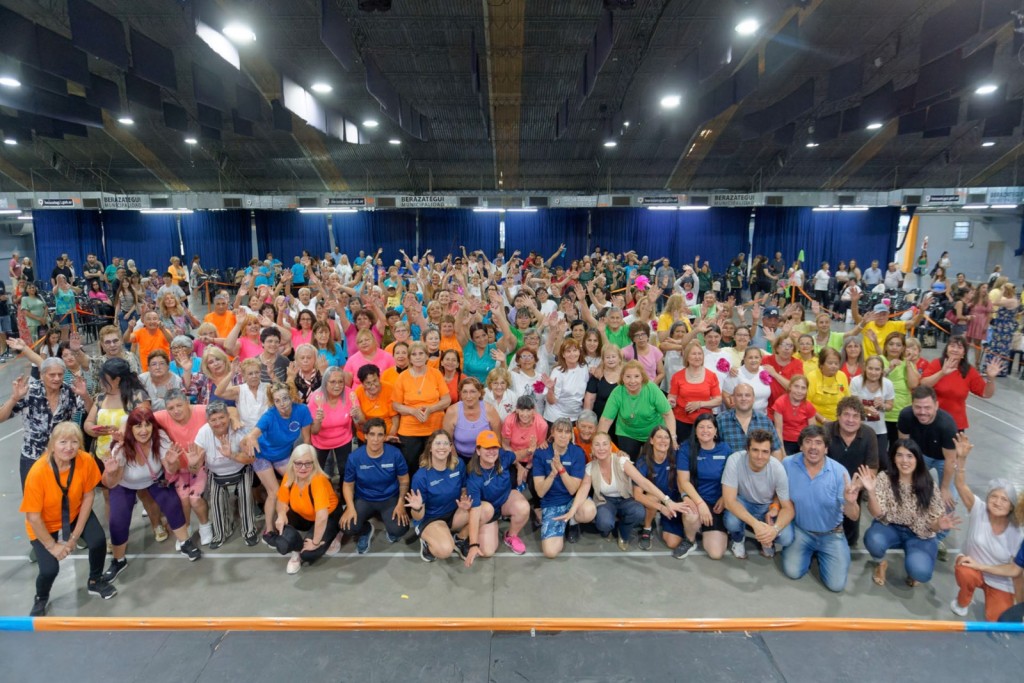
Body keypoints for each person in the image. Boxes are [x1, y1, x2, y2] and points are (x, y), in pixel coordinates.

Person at [20, 422, 114, 616]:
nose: (69, 447)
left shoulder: (85, 460)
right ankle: (41, 597)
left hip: (74, 513)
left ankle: (95, 581)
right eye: (63, 442)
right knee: (49, 570)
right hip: (43, 524)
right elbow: (34, 517)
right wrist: (52, 546)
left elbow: (88, 496)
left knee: (97, 541)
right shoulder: (37, 473)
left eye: (74, 442)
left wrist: (74, 537)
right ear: (52, 444)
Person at [101, 407, 202, 583]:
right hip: (124, 483)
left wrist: (172, 462)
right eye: (138, 426)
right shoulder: (121, 447)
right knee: (118, 519)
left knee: (172, 502)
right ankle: (118, 560)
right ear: (130, 428)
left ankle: (185, 542)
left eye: (147, 425)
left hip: (152, 479)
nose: (143, 430)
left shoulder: (160, 439)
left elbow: (171, 469)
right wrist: (111, 472)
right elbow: (111, 483)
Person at [560, 430, 687, 551]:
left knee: (639, 512)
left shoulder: (622, 461)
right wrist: (572, 511)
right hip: (605, 501)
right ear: (592, 449)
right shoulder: (589, 468)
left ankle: (623, 531)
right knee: (604, 523)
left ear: (610, 447)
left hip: (625, 498)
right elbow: (583, 490)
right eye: (597, 445)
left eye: (605, 444)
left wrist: (667, 501)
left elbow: (644, 482)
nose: (601, 448)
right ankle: (608, 530)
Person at [858, 439, 955, 588]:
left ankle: (913, 569)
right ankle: (881, 563)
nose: (904, 461)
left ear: (917, 459)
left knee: (921, 573)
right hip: (890, 527)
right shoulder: (885, 478)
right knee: (874, 541)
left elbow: (933, 524)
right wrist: (871, 492)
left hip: (920, 534)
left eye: (910, 456)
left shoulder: (928, 484)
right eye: (899, 455)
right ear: (893, 458)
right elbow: (877, 514)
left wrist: (938, 524)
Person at [950, 434, 1024, 621]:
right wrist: (962, 459)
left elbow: (1015, 571)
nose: (998, 502)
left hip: (1000, 579)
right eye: (994, 496)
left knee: (998, 621)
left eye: (1004, 499)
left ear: (1012, 505)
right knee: (964, 570)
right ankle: (963, 600)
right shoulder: (978, 508)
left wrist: (1020, 604)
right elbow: (960, 485)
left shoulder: (1018, 532)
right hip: (971, 568)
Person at [781, 425, 863, 593]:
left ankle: (823, 554)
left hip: (832, 535)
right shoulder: (788, 464)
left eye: (818, 443)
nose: (813, 447)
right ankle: (808, 552)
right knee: (793, 572)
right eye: (808, 442)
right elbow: (778, 494)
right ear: (801, 446)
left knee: (836, 585)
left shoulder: (840, 473)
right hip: (801, 531)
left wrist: (850, 502)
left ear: (826, 449)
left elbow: (854, 516)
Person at [1, 357, 89, 488]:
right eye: (52, 375)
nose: (57, 378)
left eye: (60, 374)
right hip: (32, 457)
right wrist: (14, 398)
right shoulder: (29, 392)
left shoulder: (69, 392)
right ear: (42, 375)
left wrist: (85, 396)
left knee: (64, 500)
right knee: (33, 502)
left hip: (62, 457)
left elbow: (90, 411)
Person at [241, 382, 313, 542]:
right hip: (262, 455)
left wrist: (306, 461)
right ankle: (269, 530)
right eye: (278, 400)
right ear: (273, 402)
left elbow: (307, 439)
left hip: (282, 455)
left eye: (285, 398)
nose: (283, 404)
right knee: (274, 492)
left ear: (292, 397)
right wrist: (251, 438)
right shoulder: (269, 415)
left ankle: (301, 517)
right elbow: (253, 434)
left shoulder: (302, 410)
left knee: (299, 481)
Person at [721, 429, 796, 559]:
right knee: (731, 522)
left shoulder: (778, 468)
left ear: (770, 453)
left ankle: (767, 539)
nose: (760, 456)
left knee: (786, 538)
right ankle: (738, 539)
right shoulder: (734, 460)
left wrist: (774, 530)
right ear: (747, 449)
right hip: (744, 501)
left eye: (765, 451)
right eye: (755, 450)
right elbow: (729, 501)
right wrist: (756, 525)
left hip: (766, 506)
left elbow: (788, 508)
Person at [340, 418, 410, 554]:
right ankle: (366, 529)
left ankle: (391, 528)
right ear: (365, 436)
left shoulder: (395, 454)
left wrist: (401, 503)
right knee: (347, 527)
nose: (375, 439)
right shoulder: (355, 457)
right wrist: (350, 507)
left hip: (389, 498)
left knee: (399, 529)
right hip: (364, 498)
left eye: (380, 435)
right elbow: (348, 485)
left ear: (385, 437)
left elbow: (404, 479)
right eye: (372, 434)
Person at [269, 445, 342, 574]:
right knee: (283, 517)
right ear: (292, 463)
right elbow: (281, 501)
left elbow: (322, 517)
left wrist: (315, 542)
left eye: (308, 463)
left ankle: (338, 533)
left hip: (328, 516)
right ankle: (295, 551)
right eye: (298, 463)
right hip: (305, 515)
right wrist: (281, 514)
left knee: (309, 554)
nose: (303, 468)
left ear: (314, 464)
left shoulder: (318, 480)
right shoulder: (289, 476)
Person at [194, 401, 258, 548]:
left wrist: (231, 455)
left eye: (221, 417)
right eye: (213, 420)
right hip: (216, 473)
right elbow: (194, 468)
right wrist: (194, 463)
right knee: (215, 501)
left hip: (241, 469)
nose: (218, 423)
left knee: (246, 496)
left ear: (228, 417)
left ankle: (249, 531)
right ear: (208, 421)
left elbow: (251, 459)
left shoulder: (239, 431)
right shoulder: (203, 433)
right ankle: (221, 533)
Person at [462, 431, 532, 565]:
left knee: (523, 507)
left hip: (505, 501)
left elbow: (517, 455)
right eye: (487, 448)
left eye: (494, 447)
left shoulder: (503, 458)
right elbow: (475, 511)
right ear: (478, 450)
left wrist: (529, 451)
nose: (491, 452)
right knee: (487, 551)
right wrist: (473, 545)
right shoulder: (473, 478)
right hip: (488, 511)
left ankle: (511, 536)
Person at [154, 390, 213, 545]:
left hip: (200, 465)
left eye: (179, 405)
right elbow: (138, 418)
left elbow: (226, 410)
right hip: (178, 468)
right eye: (171, 408)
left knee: (194, 499)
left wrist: (233, 418)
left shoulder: (201, 410)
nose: (176, 410)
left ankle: (205, 525)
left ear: (187, 403)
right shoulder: (161, 416)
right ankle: (185, 529)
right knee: (182, 499)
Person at [671, 414, 733, 560]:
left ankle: (706, 528)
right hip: (695, 499)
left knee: (716, 554)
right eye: (701, 427)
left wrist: (724, 497)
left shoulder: (725, 449)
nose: (705, 431)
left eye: (709, 427)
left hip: (717, 503)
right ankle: (690, 539)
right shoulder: (687, 448)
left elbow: (731, 478)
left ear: (716, 430)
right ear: (695, 430)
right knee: (691, 515)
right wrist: (700, 504)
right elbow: (684, 481)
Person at [406, 430, 471, 562]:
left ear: (450, 447)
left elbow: (463, 488)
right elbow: (418, 516)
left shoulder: (458, 465)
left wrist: (464, 500)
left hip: (453, 513)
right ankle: (427, 541)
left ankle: (460, 539)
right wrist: (417, 508)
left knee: (484, 509)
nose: (442, 447)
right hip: (430, 518)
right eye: (438, 443)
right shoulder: (421, 476)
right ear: (430, 448)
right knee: (445, 550)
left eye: (446, 443)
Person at [824, 396, 879, 547]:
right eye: (846, 414)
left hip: (855, 488)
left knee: (850, 539)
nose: (850, 420)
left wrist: (855, 487)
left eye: (855, 416)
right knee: (825, 529)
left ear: (861, 419)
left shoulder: (869, 435)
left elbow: (872, 469)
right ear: (838, 416)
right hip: (828, 485)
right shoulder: (826, 431)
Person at [920, 335, 1001, 432]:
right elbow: (923, 384)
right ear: (946, 349)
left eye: (959, 347)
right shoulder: (936, 364)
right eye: (952, 346)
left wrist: (990, 378)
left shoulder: (969, 371)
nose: (955, 349)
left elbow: (986, 393)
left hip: (955, 424)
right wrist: (942, 373)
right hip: (932, 419)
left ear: (964, 353)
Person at [597, 360, 676, 459]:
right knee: (625, 462)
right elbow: (606, 420)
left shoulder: (652, 389)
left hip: (654, 432)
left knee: (654, 463)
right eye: (628, 377)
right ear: (622, 378)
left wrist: (672, 437)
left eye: (636, 376)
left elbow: (667, 414)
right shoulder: (617, 392)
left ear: (642, 377)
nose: (632, 381)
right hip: (627, 433)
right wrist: (599, 442)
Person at [392, 341, 451, 474]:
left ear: (427, 356)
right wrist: (412, 411)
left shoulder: (436, 374)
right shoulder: (402, 377)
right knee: (411, 467)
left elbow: (447, 400)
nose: (418, 357)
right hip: (409, 431)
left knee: (434, 465)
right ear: (409, 358)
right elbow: (395, 404)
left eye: (421, 353)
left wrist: (431, 409)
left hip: (434, 429)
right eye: (414, 354)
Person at [533, 417, 587, 557]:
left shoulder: (577, 453)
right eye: (560, 431)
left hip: (571, 501)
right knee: (550, 552)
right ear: (552, 433)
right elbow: (540, 492)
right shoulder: (541, 453)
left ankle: (572, 523)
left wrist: (561, 469)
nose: (563, 435)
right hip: (552, 503)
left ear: (571, 435)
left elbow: (573, 489)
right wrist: (552, 474)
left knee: (589, 510)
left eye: (567, 432)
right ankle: (563, 524)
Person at [668, 341, 721, 443]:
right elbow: (672, 397)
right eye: (694, 354)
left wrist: (699, 404)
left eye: (699, 354)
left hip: (704, 423)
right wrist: (671, 401)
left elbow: (718, 400)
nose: (697, 357)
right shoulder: (677, 376)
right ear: (687, 357)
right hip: (682, 422)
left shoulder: (711, 376)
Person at [308, 366, 354, 482]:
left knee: (345, 470)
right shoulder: (316, 397)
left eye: (340, 382)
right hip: (320, 441)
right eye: (333, 382)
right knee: (318, 473)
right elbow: (314, 431)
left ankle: (345, 498)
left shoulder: (350, 394)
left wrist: (357, 416)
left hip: (344, 439)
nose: (337, 385)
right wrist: (318, 420)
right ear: (325, 382)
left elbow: (360, 422)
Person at [716, 383, 784, 460]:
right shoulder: (721, 420)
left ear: (753, 398)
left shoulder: (765, 421)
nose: (743, 398)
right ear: (733, 398)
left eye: (747, 395)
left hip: (759, 470)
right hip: (731, 470)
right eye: (739, 395)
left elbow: (776, 450)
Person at [850, 356, 895, 462]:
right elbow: (853, 404)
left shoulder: (887, 384)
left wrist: (882, 405)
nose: (873, 372)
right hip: (858, 428)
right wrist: (865, 409)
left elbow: (890, 406)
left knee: (881, 460)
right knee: (859, 459)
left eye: (877, 369)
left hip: (880, 430)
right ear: (865, 368)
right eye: (870, 368)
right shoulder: (856, 381)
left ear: (882, 371)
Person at [352, 364, 399, 442]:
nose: (373, 385)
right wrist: (372, 439)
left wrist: (388, 437)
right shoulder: (358, 393)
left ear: (379, 378)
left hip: (389, 435)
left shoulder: (390, 389)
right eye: (368, 383)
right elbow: (358, 424)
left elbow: (395, 420)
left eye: (375, 381)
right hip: (366, 436)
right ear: (362, 383)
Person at [806, 347, 850, 422]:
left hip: (839, 421)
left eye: (836, 363)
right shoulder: (812, 377)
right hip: (816, 422)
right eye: (830, 363)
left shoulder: (842, 375)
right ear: (821, 364)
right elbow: (806, 403)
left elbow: (847, 400)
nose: (834, 366)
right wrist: (823, 420)